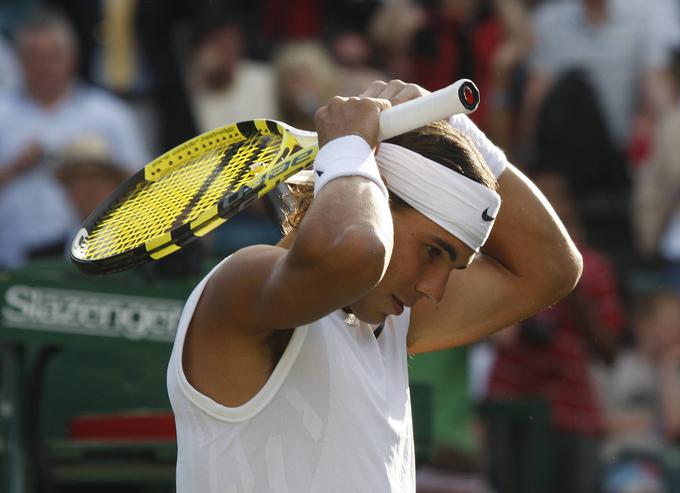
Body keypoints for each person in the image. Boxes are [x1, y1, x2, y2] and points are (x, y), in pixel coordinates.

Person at [166, 80, 582, 491]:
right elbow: (357, 250)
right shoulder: (240, 282)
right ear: (376, 195)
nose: (434, 290)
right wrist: (349, 146)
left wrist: (454, 122)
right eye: (434, 252)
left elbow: (554, 268)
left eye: (453, 265)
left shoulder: (390, 320)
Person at [0, 7, 149, 269]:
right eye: (33, 57)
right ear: (19, 62)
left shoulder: (109, 114)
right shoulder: (3, 114)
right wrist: (16, 167)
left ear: (72, 58)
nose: (43, 66)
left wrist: (93, 168)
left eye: (52, 56)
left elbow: (145, 188)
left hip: (91, 264)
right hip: (9, 262)